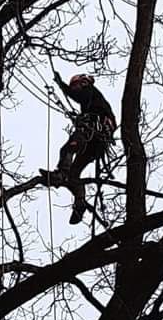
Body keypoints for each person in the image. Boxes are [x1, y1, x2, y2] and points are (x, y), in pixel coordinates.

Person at [42, 70, 115, 225]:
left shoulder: (89, 92)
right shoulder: (92, 101)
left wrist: (61, 85)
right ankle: (80, 203)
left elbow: (78, 96)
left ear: (82, 83)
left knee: (68, 148)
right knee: (74, 174)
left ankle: (61, 173)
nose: (74, 88)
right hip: (96, 144)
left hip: (92, 132)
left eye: (75, 85)